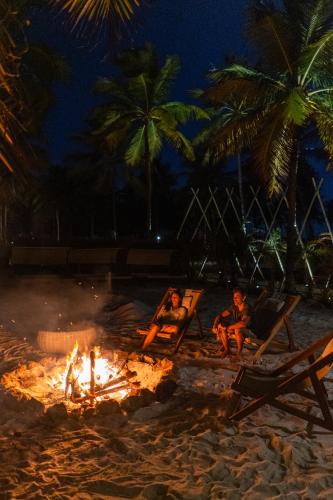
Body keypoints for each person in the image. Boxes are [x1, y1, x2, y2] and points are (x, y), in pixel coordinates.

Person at [212, 287, 253, 358]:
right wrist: (215, 325)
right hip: (240, 328)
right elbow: (220, 316)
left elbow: (243, 324)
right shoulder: (234, 307)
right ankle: (227, 350)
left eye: (237, 297)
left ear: (243, 298)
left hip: (251, 331)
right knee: (221, 325)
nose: (234, 299)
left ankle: (239, 353)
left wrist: (227, 328)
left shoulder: (247, 308)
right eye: (234, 297)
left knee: (237, 329)